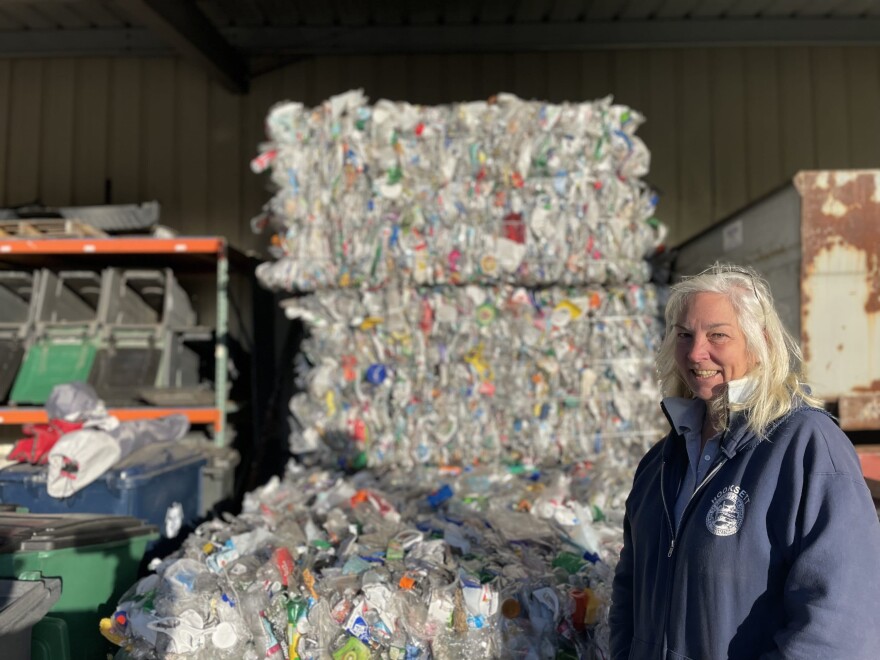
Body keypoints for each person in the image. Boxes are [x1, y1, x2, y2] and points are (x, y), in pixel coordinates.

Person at [608, 263, 880, 659]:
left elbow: (839, 624)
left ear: (759, 342)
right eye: (684, 335)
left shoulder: (805, 446)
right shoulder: (660, 464)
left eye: (717, 334)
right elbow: (628, 594)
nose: (696, 352)